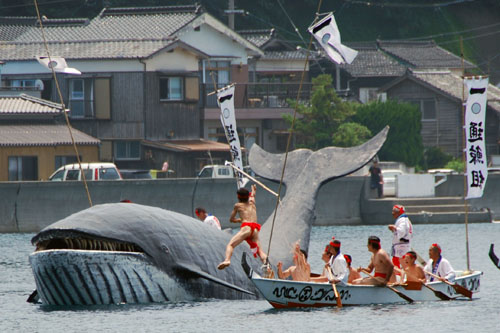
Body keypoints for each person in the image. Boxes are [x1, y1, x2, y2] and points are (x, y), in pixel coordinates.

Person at [218, 184, 266, 270]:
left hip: (246, 228)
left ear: (239, 198)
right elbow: (253, 195)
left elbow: (231, 219)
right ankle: (267, 265)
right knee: (260, 252)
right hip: (255, 229)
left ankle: (227, 260)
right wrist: (253, 189)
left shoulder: (237, 206)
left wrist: (238, 220)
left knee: (231, 245)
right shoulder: (252, 202)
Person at [388, 204, 413, 270]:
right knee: (396, 261)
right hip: (401, 246)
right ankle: (399, 276)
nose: (392, 213)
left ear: (398, 212)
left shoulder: (403, 220)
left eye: (393, 211)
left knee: (403, 263)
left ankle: (403, 276)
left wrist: (393, 228)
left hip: (402, 246)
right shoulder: (403, 220)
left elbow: (401, 232)